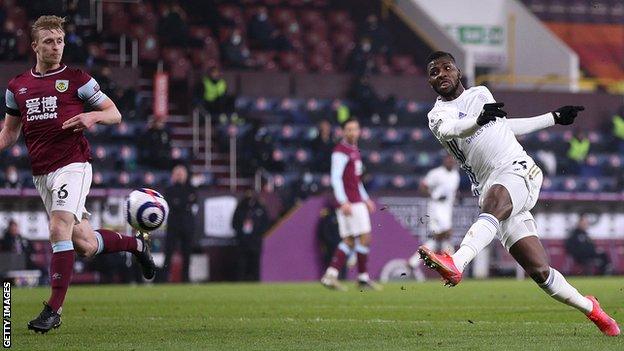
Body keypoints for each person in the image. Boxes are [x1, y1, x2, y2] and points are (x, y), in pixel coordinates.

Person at [417, 51, 619, 336]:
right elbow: (455, 129)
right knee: (540, 273)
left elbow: (503, 126)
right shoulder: (437, 115)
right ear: (429, 82)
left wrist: (553, 118)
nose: (442, 74)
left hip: (518, 171)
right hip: (491, 188)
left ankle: (456, 261)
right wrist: (478, 120)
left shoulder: (481, 93)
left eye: (447, 68)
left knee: (494, 201)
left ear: (458, 71)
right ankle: (592, 310)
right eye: (434, 72)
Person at [1, 16, 156, 333]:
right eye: (48, 41)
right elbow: (8, 135)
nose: (56, 47)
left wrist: (91, 117)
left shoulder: (77, 79)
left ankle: (53, 310)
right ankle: (138, 247)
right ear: (35, 46)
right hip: (42, 174)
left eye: (59, 41)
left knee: (58, 226)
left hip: (74, 165)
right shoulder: (17, 87)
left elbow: (114, 113)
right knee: (85, 243)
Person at [320, 118, 380, 291]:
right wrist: (343, 201)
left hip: (355, 200)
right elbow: (336, 178)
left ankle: (331, 276)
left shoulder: (354, 151)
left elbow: (356, 180)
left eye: (355, 129)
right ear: (343, 132)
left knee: (349, 241)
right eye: (348, 129)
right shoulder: (340, 151)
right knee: (364, 237)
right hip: (350, 203)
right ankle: (362, 277)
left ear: (359, 131)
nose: (352, 132)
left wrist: (366, 198)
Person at [407, 154, 459, 276]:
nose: (450, 161)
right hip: (436, 209)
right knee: (446, 234)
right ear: (444, 160)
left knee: (437, 240)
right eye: (448, 159)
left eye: (452, 159)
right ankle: (453, 267)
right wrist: (434, 196)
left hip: (447, 210)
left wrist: (456, 198)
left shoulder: (455, 175)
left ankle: (413, 262)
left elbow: (453, 192)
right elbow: (423, 187)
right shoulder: (436, 173)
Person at [161, 164, 197, 283]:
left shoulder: (191, 188)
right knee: (168, 253)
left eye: (182, 174)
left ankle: (186, 279)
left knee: (187, 254)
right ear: (173, 176)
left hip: (187, 225)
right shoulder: (169, 189)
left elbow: (193, 200)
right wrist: (184, 202)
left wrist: (180, 202)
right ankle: (165, 278)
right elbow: (172, 204)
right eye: (177, 174)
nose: (180, 176)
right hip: (173, 225)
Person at [231, 191, 270, 281]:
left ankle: (256, 281)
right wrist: (241, 233)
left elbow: (266, 223)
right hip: (243, 241)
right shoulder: (240, 208)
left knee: (255, 263)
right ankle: (240, 281)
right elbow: (234, 224)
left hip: (255, 241)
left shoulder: (260, 208)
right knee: (241, 263)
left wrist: (258, 233)